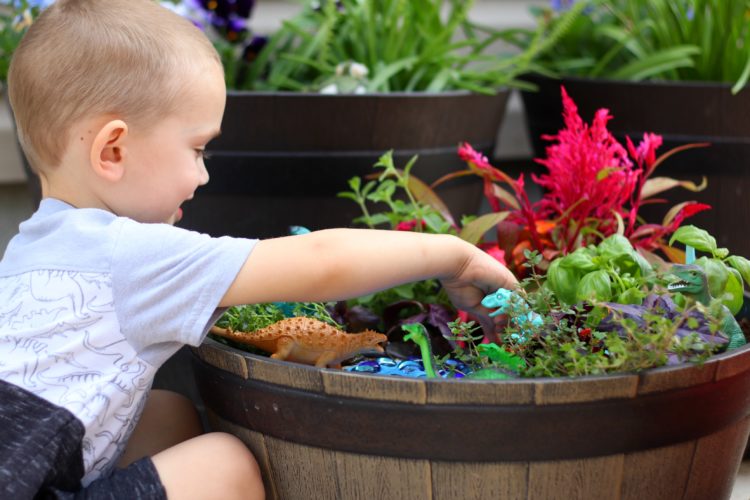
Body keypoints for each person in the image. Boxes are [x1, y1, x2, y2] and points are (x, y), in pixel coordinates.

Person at [0, 0, 518, 498]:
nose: (203, 174)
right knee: (225, 465)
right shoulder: (127, 254)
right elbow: (321, 262)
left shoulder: (29, 251)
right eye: (197, 148)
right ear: (112, 150)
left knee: (166, 413)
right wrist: (455, 254)